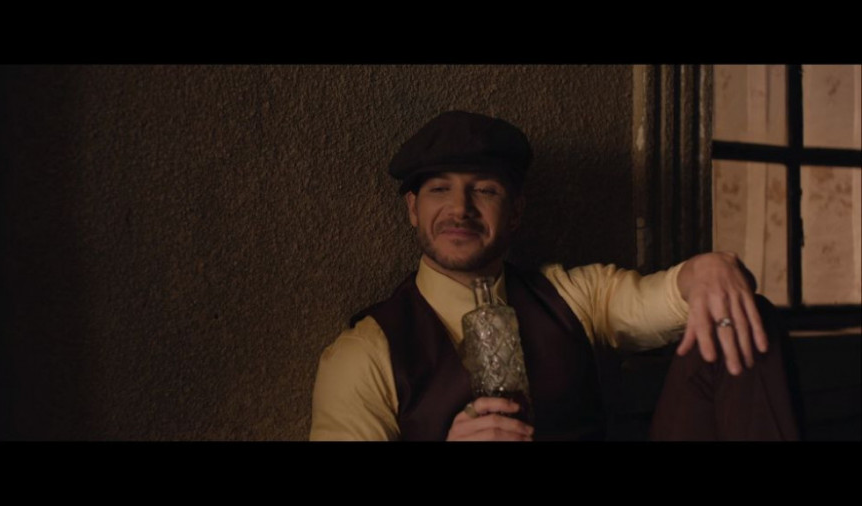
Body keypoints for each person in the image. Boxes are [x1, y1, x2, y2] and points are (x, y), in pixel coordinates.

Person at [310, 111, 798, 441]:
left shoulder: (569, 295)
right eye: (440, 190)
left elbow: (666, 298)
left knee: (738, 315)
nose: (460, 209)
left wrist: (707, 270)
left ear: (516, 212)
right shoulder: (365, 353)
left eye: (484, 190)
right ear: (413, 209)